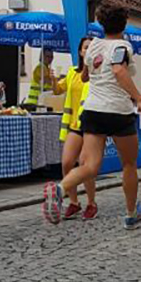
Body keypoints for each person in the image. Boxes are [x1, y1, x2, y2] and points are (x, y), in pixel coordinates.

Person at [42, 4, 141, 229]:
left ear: (102, 24)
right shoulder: (122, 46)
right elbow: (119, 70)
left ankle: (60, 189)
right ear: (124, 24)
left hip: (92, 109)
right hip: (118, 110)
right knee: (129, 164)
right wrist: (139, 99)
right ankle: (131, 214)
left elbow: (84, 75)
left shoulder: (92, 47)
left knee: (91, 166)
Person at [58, 37, 98, 221]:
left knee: (85, 165)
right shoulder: (72, 73)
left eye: (91, 47)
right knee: (67, 162)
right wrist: (52, 80)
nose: (88, 50)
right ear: (81, 52)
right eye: (85, 47)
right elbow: (58, 89)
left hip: (90, 125)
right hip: (74, 124)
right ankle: (74, 202)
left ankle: (91, 203)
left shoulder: (98, 73)